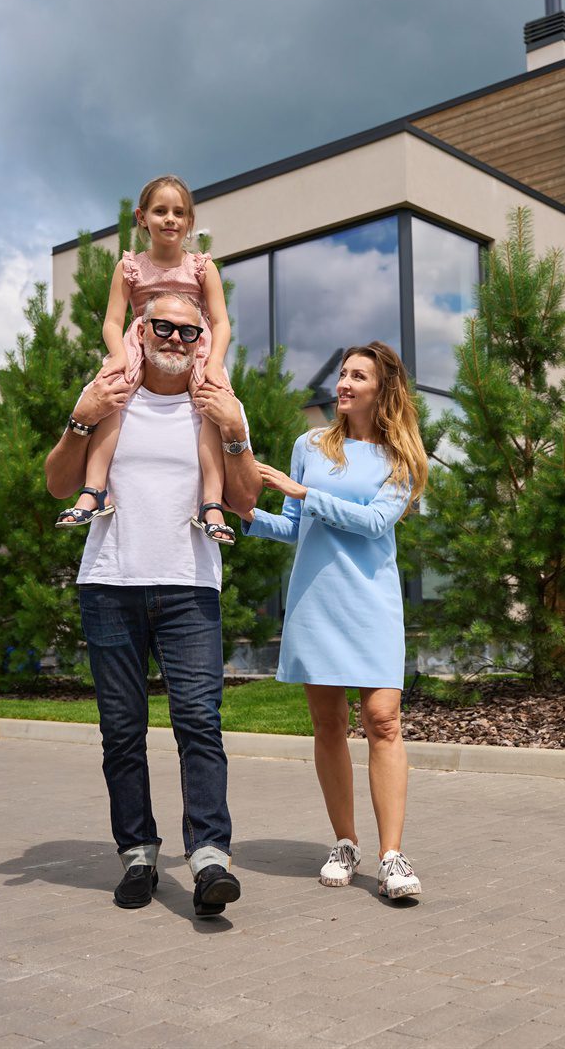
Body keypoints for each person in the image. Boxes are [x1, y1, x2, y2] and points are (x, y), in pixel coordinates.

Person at [44, 291, 261, 917]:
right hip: (110, 583)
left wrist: (238, 433)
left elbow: (243, 501)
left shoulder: (215, 401)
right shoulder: (110, 394)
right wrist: (79, 420)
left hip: (190, 585)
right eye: (161, 327)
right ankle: (137, 854)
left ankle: (209, 856)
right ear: (139, 331)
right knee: (121, 731)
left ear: (203, 340)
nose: (174, 339)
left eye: (188, 332)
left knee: (199, 723)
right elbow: (59, 484)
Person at [240, 342, 429, 900]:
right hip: (316, 600)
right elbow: (296, 527)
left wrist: (304, 492)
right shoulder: (310, 445)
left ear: (382, 388)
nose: (343, 384)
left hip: (371, 602)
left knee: (383, 719)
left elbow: (374, 524)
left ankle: (391, 856)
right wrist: (246, 517)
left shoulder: (402, 459)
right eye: (342, 373)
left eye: (357, 376)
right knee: (327, 726)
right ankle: (344, 841)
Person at [55, 174, 237, 545]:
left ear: (189, 221)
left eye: (178, 212)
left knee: (212, 403)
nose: (170, 219)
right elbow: (111, 321)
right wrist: (120, 356)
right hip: (142, 338)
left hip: (191, 339)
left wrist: (215, 361)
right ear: (141, 217)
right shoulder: (130, 266)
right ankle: (94, 489)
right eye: (160, 211)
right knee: (111, 393)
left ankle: (212, 502)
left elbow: (219, 322)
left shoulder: (202, 267)